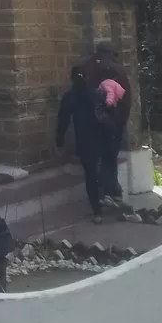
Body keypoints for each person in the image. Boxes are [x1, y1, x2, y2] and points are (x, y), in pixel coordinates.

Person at [56, 65, 106, 222]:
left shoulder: (69, 97)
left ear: (71, 78)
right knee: (105, 169)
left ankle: (97, 211)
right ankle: (110, 199)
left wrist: (59, 140)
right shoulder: (96, 94)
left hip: (84, 141)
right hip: (102, 137)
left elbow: (63, 122)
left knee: (91, 175)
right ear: (88, 76)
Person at [82, 41, 131, 202]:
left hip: (94, 124)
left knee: (95, 158)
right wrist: (120, 123)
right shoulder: (120, 71)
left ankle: (100, 194)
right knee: (110, 158)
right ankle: (111, 191)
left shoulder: (89, 68)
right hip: (114, 124)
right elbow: (127, 99)